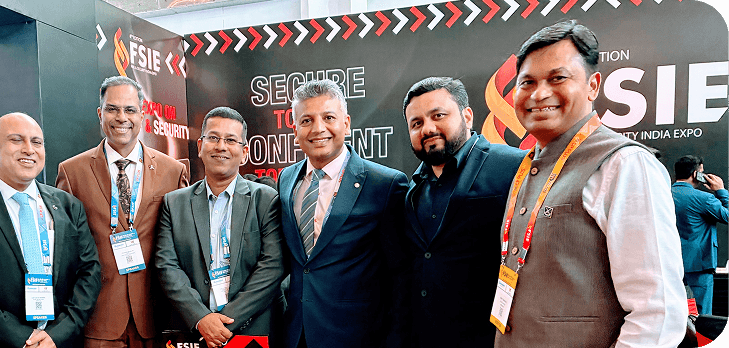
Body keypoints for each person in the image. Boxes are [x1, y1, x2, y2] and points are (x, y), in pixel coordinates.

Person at [492, 20, 687, 347]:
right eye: (527, 82)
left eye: (557, 78)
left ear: (593, 86)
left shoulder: (624, 163)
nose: (539, 94)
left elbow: (657, 312)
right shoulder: (529, 165)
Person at [0, 113, 102, 347]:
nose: (29, 149)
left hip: (58, 342)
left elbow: (89, 272)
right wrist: (21, 337)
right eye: (16, 140)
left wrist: (58, 333)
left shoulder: (68, 205)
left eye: (36, 142)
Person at [387, 77, 525, 348]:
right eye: (416, 123)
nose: (427, 128)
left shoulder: (513, 166)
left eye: (438, 115)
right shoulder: (410, 189)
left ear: (467, 115)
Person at [56, 76, 189, 348]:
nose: (121, 118)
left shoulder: (173, 171)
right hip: (97, 319)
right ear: (100, 113)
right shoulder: (72, 172)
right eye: (112, 109)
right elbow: (64, 252)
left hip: (156, 318)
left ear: (142, 113)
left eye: (130, 110)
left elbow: (182, 246)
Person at [276, 79, 408, 348]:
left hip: (358, 336)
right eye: (306, 120)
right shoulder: (286, 178)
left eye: (328, 117)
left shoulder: (384, 183)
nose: (318, 129)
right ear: (295, 129)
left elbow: (401, 275)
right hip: (296, 334)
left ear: (346, 123)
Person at [154, 107, 285, 348]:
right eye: (213, 138)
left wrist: (224, 324)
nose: (221, 146)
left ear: (244, 153)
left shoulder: (266, 200)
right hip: (194, 332)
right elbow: (167, 266)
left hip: (253, 331)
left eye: (230, 140)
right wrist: (201, 318)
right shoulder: (174, 203)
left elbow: (272, 267)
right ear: (200, 146)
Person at [672, 155, 729, 315]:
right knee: (701, 315)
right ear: (696, 174)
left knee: (676, 312)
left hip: (670, 264)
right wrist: (721, 191)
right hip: (699, 266)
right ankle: (699, 340)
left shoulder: (661, 195)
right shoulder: (704, 199)